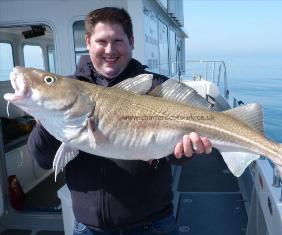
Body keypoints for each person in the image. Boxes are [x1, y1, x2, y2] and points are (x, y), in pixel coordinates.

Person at [28, 7, 212, 235]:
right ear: (88, 42)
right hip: (89, 228)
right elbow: (43, 158)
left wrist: (187, 151)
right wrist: (46, 118)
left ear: (131, 42)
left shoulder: (156, 88)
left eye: (118, 41)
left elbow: (176, 158)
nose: (109, 50)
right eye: (101, 41)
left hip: (153, 225)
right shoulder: (70, 88)